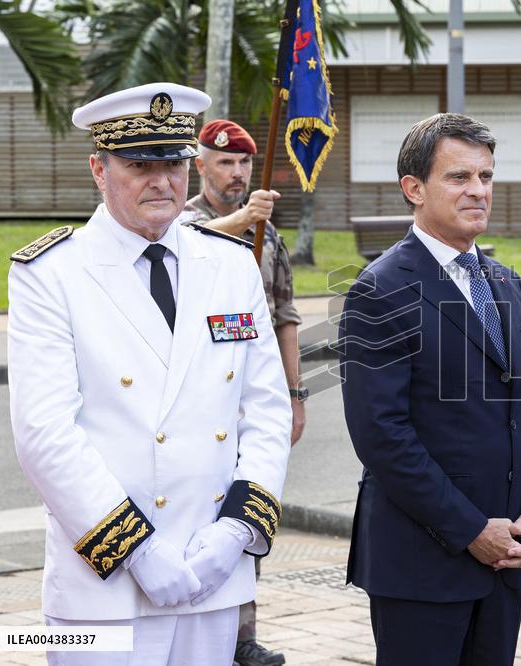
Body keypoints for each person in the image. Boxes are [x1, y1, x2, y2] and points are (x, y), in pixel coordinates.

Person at [7, 83, 291, 665]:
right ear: (98, 168)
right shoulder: (51, 273)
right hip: (100, 587)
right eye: (140, 165)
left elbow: (266, 409)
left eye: (175, 163)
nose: (162, 182)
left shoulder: (232, 263)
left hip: (214, 577)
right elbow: (45, 435)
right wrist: (139, 552)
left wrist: (235, 534)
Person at [337, 113, 521, 665]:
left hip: (506, 557)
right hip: (422, 562)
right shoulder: (379, 289)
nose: (479, 191)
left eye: (486, 176)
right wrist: (468, 530)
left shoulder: (505, 283)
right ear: (413, 188)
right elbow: (381, 435)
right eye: (459, 177)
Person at [183, 119, 303, 666]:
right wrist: (241, 220)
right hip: (193, 399)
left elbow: (284, 317)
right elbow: (184, 248)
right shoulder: (181, 221)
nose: (235, 173)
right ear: (200, 164)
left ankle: (241, 636)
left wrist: (295, 394)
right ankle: (190, 629)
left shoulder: (266, 235)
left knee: (246, 512)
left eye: (243, 164)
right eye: (224, 162)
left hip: (247, 399)